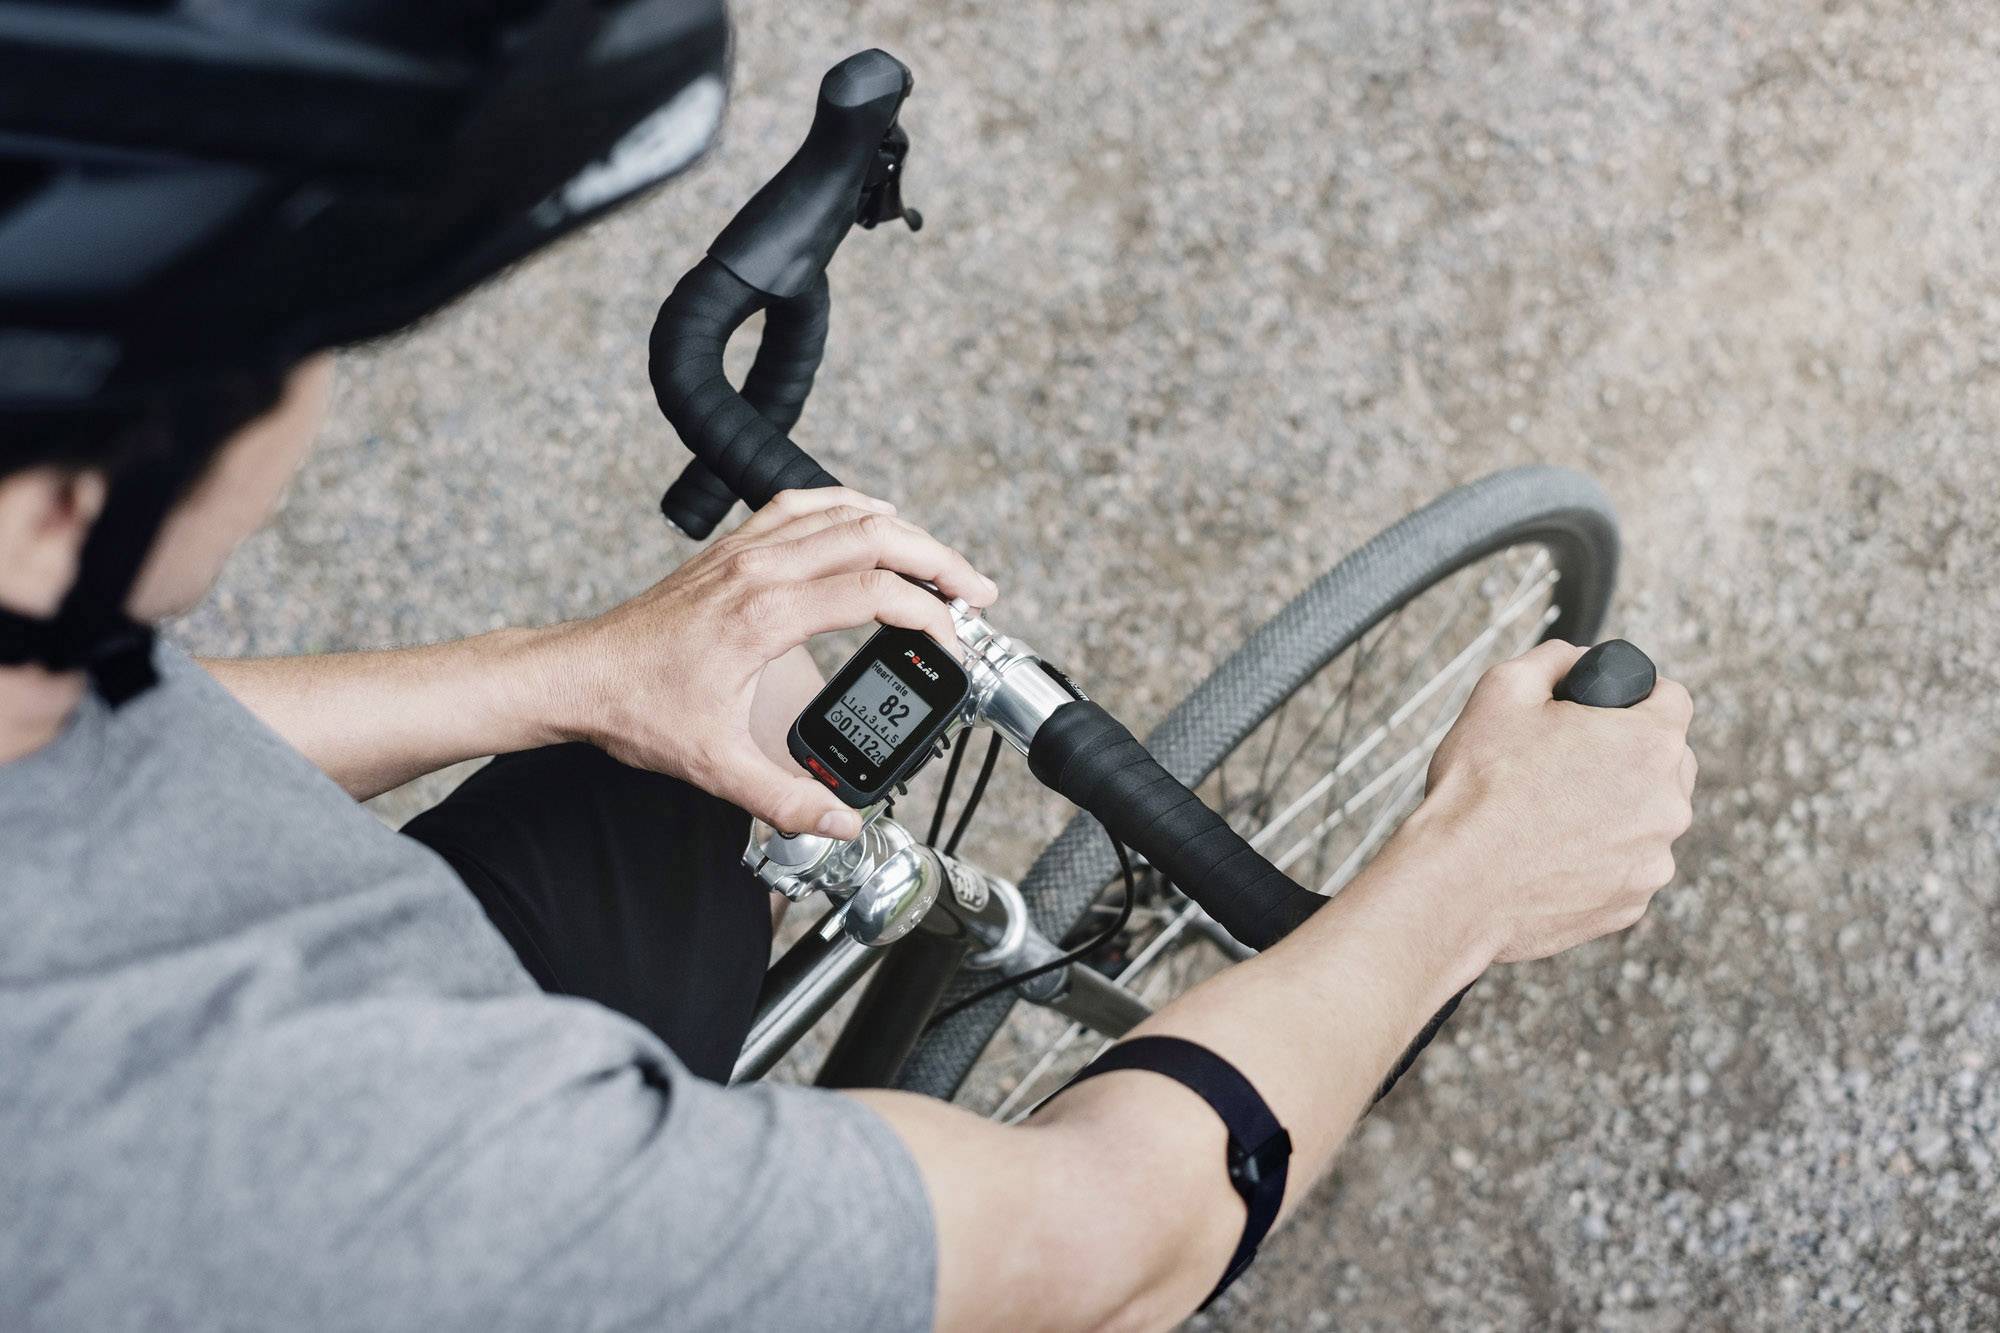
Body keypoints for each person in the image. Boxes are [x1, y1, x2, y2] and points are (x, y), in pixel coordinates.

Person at [0, 3, 1697, 1329]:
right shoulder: (396, 1181)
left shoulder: (32, 632)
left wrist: (574, 674)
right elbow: (1117, 1247)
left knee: (642, 778)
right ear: (71, 501)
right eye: (301, 346)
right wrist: (1468, 881)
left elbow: (106, 745)